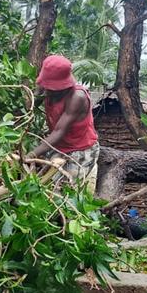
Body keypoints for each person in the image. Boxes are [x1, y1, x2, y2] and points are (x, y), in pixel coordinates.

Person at [27, 55, 100, 194]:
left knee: (64, 193)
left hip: (80, 151)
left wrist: (31, 154)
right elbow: (29, 107)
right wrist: (37, 92)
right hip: (58, 147)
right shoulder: (48, 90)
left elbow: (59, 131)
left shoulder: (77, 97)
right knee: (44, 189)